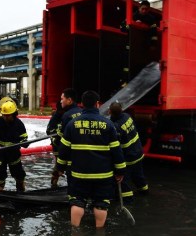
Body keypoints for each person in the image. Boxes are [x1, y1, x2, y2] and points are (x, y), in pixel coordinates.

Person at [56, 90, 126, 228]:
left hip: (78, 173)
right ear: (97, 104)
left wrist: (60, 168)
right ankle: (100, 235)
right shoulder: (108, 124)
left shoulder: (72, 124)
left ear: (82, 104)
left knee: (77, 201)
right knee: (101, 203)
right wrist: (120, 171)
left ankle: (75, 235)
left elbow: (63, 150)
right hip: (103, 175)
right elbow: (116, 151)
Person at [109, 101, 148, 203]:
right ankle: (144, 191)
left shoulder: (116, 127)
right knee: (138, 175)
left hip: (128, 158)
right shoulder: (127, 116)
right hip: (138, 153)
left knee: (124, 181)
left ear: (110, 112)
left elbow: (115, 146)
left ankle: (127, 200)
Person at [0, 100, 29, 191]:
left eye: (7, 115)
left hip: (13, 154)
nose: (5, 117)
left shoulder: (19, 124)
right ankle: (0, 192)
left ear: (13, 114)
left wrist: (25, 142)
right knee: (0, 177)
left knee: (19, 175)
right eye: (3, 115)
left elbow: (24, 137)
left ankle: (21, 191)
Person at [50, 88, 82, 186]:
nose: (61, 101)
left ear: (69, 100)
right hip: (81, 154)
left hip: (67, 153)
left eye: (62, 98)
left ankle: (54, 188)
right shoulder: (82, 112)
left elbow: (62, 138)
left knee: (64, 174)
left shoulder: (67, 116)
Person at [46, 101, 64, 188]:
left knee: (59, 165)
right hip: (57, 146)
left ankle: (55, 181)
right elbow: (48, 131)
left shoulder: (64, 116)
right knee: (58, 165)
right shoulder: (55, 117)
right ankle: (54, 184)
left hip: (62, 145)